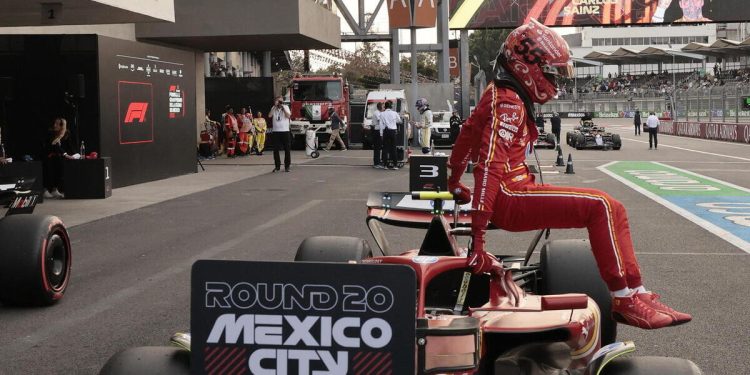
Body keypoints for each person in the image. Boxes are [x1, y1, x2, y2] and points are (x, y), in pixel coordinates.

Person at [447, 19, 690, 330]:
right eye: (550, 72)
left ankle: (637, 294)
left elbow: (466, 136)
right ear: (526, 68)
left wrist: (453, 182)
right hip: (510, 197)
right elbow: (490, 166)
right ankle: (624, 300)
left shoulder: (498, 92)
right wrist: (478, 241)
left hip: (515, 191)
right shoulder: (509, 102)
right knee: (602, 207)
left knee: (615, 208)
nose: (555, 81)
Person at [43, 118, 77, 199]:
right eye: (55, 123)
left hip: (58, 156)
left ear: (62, 126)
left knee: (61, 168)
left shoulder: (66, 133)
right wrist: (65, 154)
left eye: (57, 124)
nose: (54, 125)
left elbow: (70, 145)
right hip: (48, 155)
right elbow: (55, 145)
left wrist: (77, 154)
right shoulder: (51, 133)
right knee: (50, 167)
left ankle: (55, 190)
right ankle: (45, 190)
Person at [269, 96, 292, 172]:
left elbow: (288, 116)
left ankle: (287, 166)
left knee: (287, 149)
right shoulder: (273, 108)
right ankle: (277, 166)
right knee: (275, 149)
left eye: (281, 101)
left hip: (285, 131)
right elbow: (269, 115)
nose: (280, 103)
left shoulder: (286, 107)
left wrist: (283, 108)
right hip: (276, 131)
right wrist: (275, 107)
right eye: (278, 101)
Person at [379, 100, 401, 170]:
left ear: (385, 107)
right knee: (393, 148)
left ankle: (385, 165)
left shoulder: (382, 114)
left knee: (385, 148)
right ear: (391, 106)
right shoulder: (394, 113)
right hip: (393, 131)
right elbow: (399, 121)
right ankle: (395, 165)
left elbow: (381, 125)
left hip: (386, 131)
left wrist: (381, 134)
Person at [371, 102, 384, 168]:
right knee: (377, 148)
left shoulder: (379, 113)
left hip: (378, 131)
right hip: (377, 131)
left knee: (379, 148)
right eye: (383, 106)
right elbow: (381, 120)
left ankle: (378, 162)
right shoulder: (377, 113)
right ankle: (376, 163)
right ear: (380, 107)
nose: (384, 108)